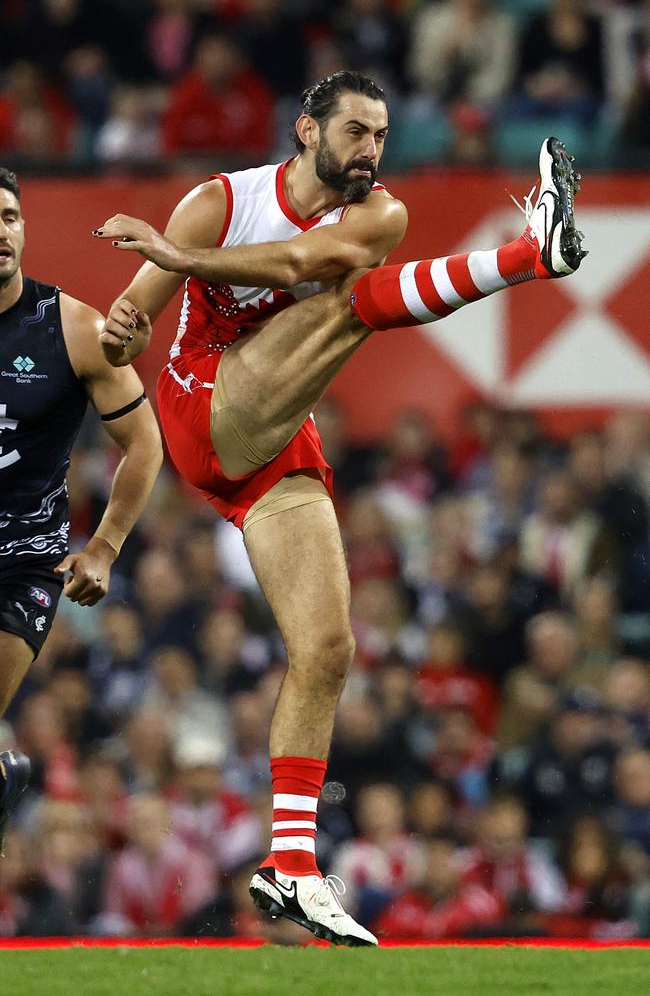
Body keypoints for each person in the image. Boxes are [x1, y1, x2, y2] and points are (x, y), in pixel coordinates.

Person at [92, 70, 586, 945]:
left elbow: (296, 265)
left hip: (277, 436)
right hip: (203, 407)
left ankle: (290, 866)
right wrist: (124, 323)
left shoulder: (378, 216)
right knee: (353, 307)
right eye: (355, 132)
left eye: (382, 135)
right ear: (305, 132)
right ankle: (528, 256)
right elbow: (131, 320)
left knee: (326, 647)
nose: (371, 151)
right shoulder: (218, 202)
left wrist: (176, 258)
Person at [0, 167, 162, 854]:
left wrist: (104, 545)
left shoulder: (72, 328)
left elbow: (144, 443)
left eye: (8, 216)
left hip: (23, 563)